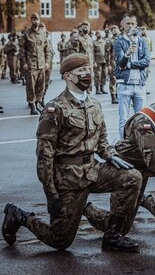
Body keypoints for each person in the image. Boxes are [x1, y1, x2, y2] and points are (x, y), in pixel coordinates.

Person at [2, 53, 142, 252]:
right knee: (60, 241)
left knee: (132, 177)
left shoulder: (94, 104)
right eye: (81, 71)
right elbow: (44, 155)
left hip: (92, 170)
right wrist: (50, 193)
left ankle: (112, 235)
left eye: (88, 70)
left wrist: (111, 154)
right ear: (68, 76)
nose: (87, 74)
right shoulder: (55, 108)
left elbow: (101, 141)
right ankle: (20, 216)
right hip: (68, 177)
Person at [84, 84, 155, 238]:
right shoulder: (144, 122)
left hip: (149, 163)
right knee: (119, 228)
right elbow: (153, 162)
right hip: (129, 169)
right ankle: (84, 207)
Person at [114, 14, 150, 139]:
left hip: (140, 85)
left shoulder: (142, 41)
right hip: (124, 85)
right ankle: (123, 144)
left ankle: (140, 145)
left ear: (136, 25)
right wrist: (128, 53)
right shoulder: (119, 42)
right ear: (122, 24)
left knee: (142, 118)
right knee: (123, 119)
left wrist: (130, 64)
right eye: (127, 23)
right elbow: (121, 64)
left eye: (132, 23)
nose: (130, 26)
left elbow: (146, 61)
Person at [19, 13, 50, 115]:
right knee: (31, 87)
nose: (34, 21)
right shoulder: (26, 34)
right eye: (33, 19)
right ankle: (32, 105)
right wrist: (24, 63)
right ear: (30, 21)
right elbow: (22, 50)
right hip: (31, 65)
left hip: (41, 64)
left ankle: (38, 103)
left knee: (40, 86)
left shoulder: (42, 33)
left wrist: (47, 61)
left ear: (39, 20)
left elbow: (47, 49)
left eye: (36, 19)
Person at [93, 31, 108, 95]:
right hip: (97, 61)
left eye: (99, 33)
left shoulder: (104, 42)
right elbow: (93, 53)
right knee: (98, 75)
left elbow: (107, 51)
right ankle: (97, 89)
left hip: (104, 61)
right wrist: (94, 62)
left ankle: (102, 88)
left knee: (104, 75)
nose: (98, 34)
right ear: (96, 35)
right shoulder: (94, 43)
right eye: (97, 34)